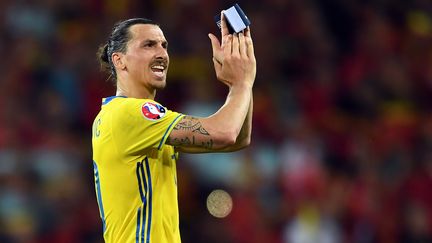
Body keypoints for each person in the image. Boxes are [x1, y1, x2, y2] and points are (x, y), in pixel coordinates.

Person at [92, 12, 255, 243]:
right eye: (148, 45)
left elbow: (239, 138)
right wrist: (242, 83)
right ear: (119, 60)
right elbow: (226, 133)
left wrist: (239, 84)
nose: (161, 54)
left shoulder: (124, 118)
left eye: (164, 46)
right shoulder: (130, 113)